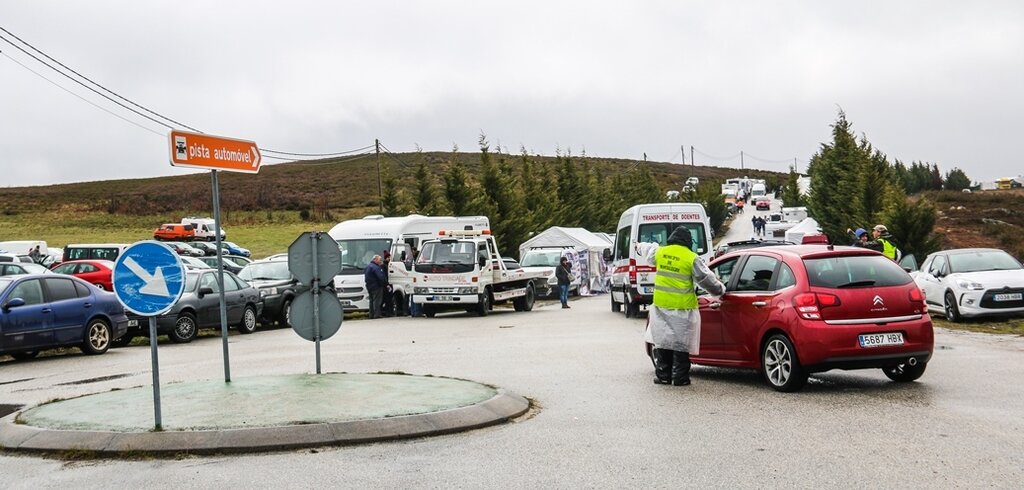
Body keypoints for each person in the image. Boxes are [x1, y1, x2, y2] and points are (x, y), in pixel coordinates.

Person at [646, 228, 726, 386]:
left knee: (664, 341)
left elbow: (649, 253)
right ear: (688, 241)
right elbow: (705, 279)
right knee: (681, 343)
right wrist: (720, 290)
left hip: (661, 305)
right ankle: (680, 377)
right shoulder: (690, 258)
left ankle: (663, 375)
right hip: (682, 307)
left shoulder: (660, 252)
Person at [364, 254, 387, 319]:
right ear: (375, 260)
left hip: (369, 286)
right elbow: (381, 277)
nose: (380, 261)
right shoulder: (376, 267)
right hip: (376, 286)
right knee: (377, 301)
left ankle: (371, 314)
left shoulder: (368, 266)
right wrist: (383, 284)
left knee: (371, 301)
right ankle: (377, 314)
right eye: (379, 260)